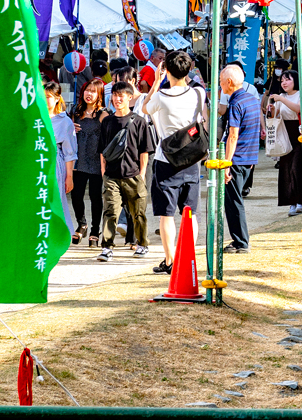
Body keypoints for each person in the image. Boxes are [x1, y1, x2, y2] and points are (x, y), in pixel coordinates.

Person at [143, 50, 208, 275]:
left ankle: (170, 260)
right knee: (190, 213)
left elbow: (144, 109)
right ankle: (187, 257)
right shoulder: (198, 93)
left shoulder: (161, 97)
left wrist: (156, 82)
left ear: (167, 70)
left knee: (167, 215)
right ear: (189, 70)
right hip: (191, 159)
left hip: (166, 159)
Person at [97, 81, 155, 260]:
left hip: (133, 175)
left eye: (121, 95)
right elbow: (102, 150)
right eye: (114, 95)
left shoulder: (139, 122)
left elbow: (144, 151)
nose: (117, 99)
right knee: (110, 211)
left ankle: (142, 244)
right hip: (111, 176)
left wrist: (142, 174)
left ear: (130, 97)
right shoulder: (106, 121)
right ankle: (107, 247)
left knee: (138, 213)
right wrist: (103, 172)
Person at [220, 63, 260, 253]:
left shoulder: (236, 102)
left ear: (229, 82)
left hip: (237, 158)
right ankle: (240, 240)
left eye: (221, 82)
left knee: (234, 202)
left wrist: (227, 163)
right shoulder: (251, 99)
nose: (220, 85)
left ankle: (241, 241)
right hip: (249, 157)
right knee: (236, 200)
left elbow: (233, 135)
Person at [70, 78, 107, 247]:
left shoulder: (103, 115)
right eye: (87, 90)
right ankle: (82, 224)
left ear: (99, 94)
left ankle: (94, 230)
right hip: (79, 160)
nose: (89, 94)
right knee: (76, 195)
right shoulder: (75, 112)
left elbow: (108, 138)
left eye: (93, 91)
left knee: (95, 197)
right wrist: (70, 127)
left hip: (96, 161)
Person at [267, 71, 302, 216]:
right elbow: (275, 116)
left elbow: (299, 109)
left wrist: (281, 100)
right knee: (286, 169)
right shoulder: (281, 97)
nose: (284, 83)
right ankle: (291, 202)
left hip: (300, 132)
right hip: (285, 133)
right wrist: (271, 110)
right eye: (282, 80)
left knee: (298, 166)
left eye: (287, 80)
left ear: (295, 81)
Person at [44, 81, 78, 236]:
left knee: (55, 198)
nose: (45, 100)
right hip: (36, 161)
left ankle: (59, 233)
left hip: (55, 162)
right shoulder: (35, 118)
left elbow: (69, 151)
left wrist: (69, 176)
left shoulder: (64, 121)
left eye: (49, 97)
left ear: (57, 98)